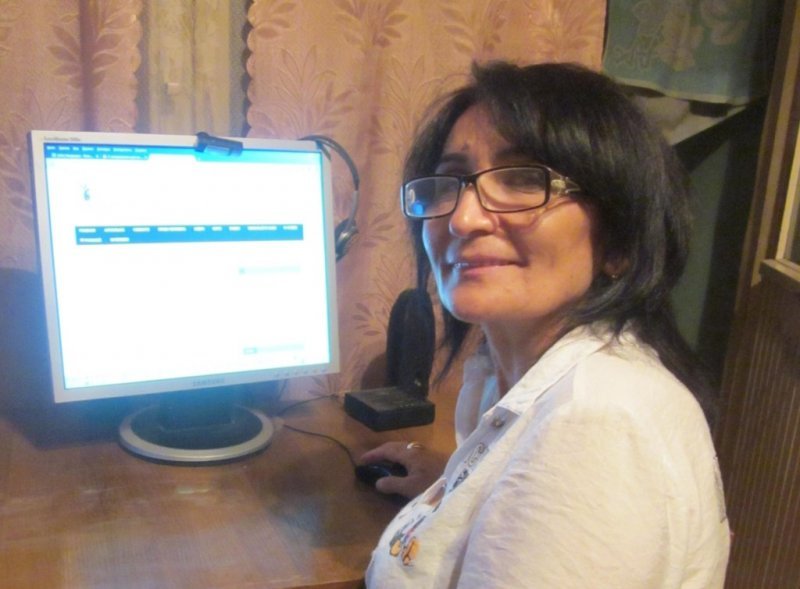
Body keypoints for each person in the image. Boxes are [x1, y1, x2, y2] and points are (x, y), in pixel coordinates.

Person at [359, 61, 730, 588]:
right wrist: (459, 486)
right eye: (450, 182)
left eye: (522, 180)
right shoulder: (515, 378)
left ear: (620, 241)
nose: (462, 219)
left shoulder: (595, 426)